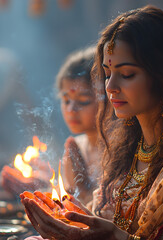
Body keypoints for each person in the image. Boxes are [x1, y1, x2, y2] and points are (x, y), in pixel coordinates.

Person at [20, 5, 163, 240]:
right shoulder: (125, 150)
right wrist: (70, 221)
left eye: (126, 75)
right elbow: (101, 225)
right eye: (107, 74)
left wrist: (115, 237)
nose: (110, 87)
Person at [56, 46, 100, 204]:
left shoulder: (120, 152)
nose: (71, 110)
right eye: (66, 100)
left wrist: (82, 189)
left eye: (83, 101)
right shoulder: (77, 146)